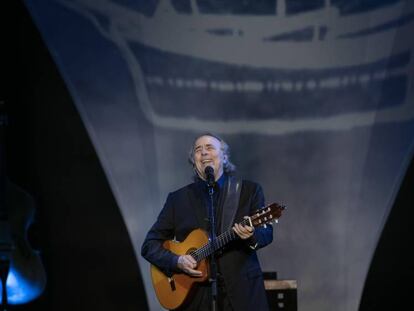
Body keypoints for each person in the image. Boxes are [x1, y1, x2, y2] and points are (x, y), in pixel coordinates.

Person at [141, 133, 273, 310]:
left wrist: (250, 235)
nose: (203, 152)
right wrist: (176, 261)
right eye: (198, 150)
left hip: (242, 296)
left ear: (224, 157)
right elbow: (149, 245)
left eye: (209, 147)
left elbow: (266, 234)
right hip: (195, 299)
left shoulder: (248, 191)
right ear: (194, 162)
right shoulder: (177, 199)